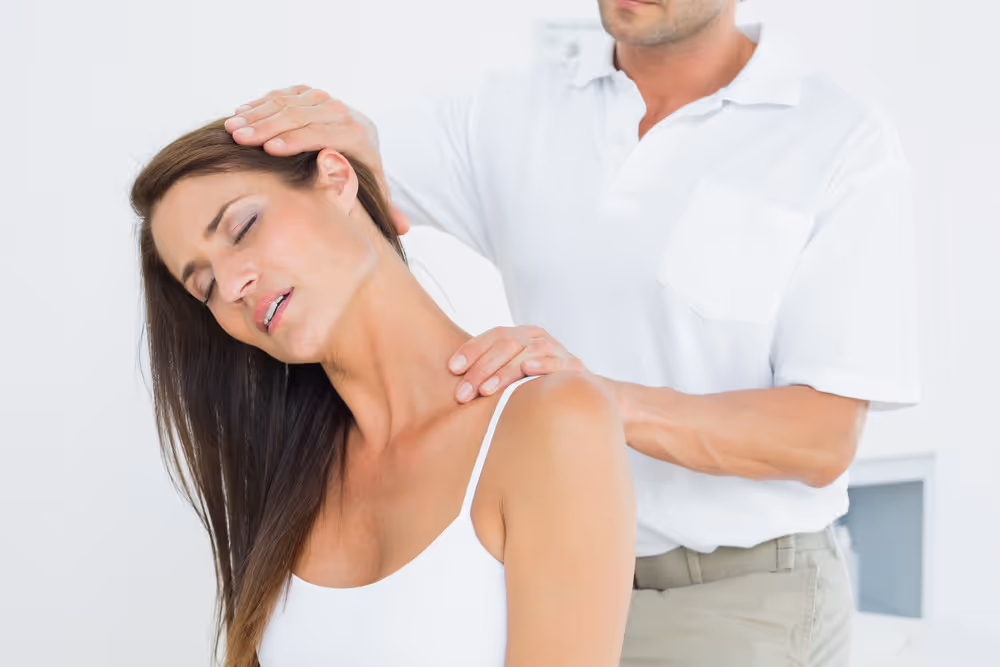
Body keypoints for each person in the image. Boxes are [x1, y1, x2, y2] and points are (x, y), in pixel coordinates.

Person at [224, 1, 921, 664]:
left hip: (726, 597)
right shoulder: (511, 110)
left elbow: (821, 438)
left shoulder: (836, 138)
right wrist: (309, 137)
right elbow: (332, 185)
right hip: (529, 576)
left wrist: (585, 400)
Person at [131, 118, 636, 667]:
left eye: (243, 226)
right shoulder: (288, 481)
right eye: (203, 286)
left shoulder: (550, 423)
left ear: (335, 178)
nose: (230, 286)